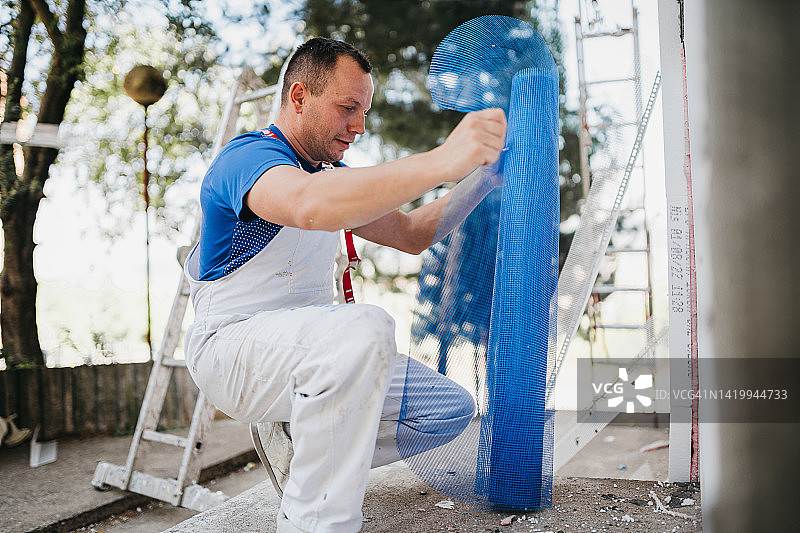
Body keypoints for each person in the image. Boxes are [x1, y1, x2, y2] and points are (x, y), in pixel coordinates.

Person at [183, 37, 506, 532]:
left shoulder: (332, 175)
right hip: (231, 347)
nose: (357, 126)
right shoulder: (247, 159)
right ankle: (314, 522)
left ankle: (301, 445)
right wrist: (445, 160)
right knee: (365, 328)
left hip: (307, 352)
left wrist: (484, 177)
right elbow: (311, 204)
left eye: (364, 111)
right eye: (346, 108)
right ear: (298, 97)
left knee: (448, 410)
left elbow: (413, 234)